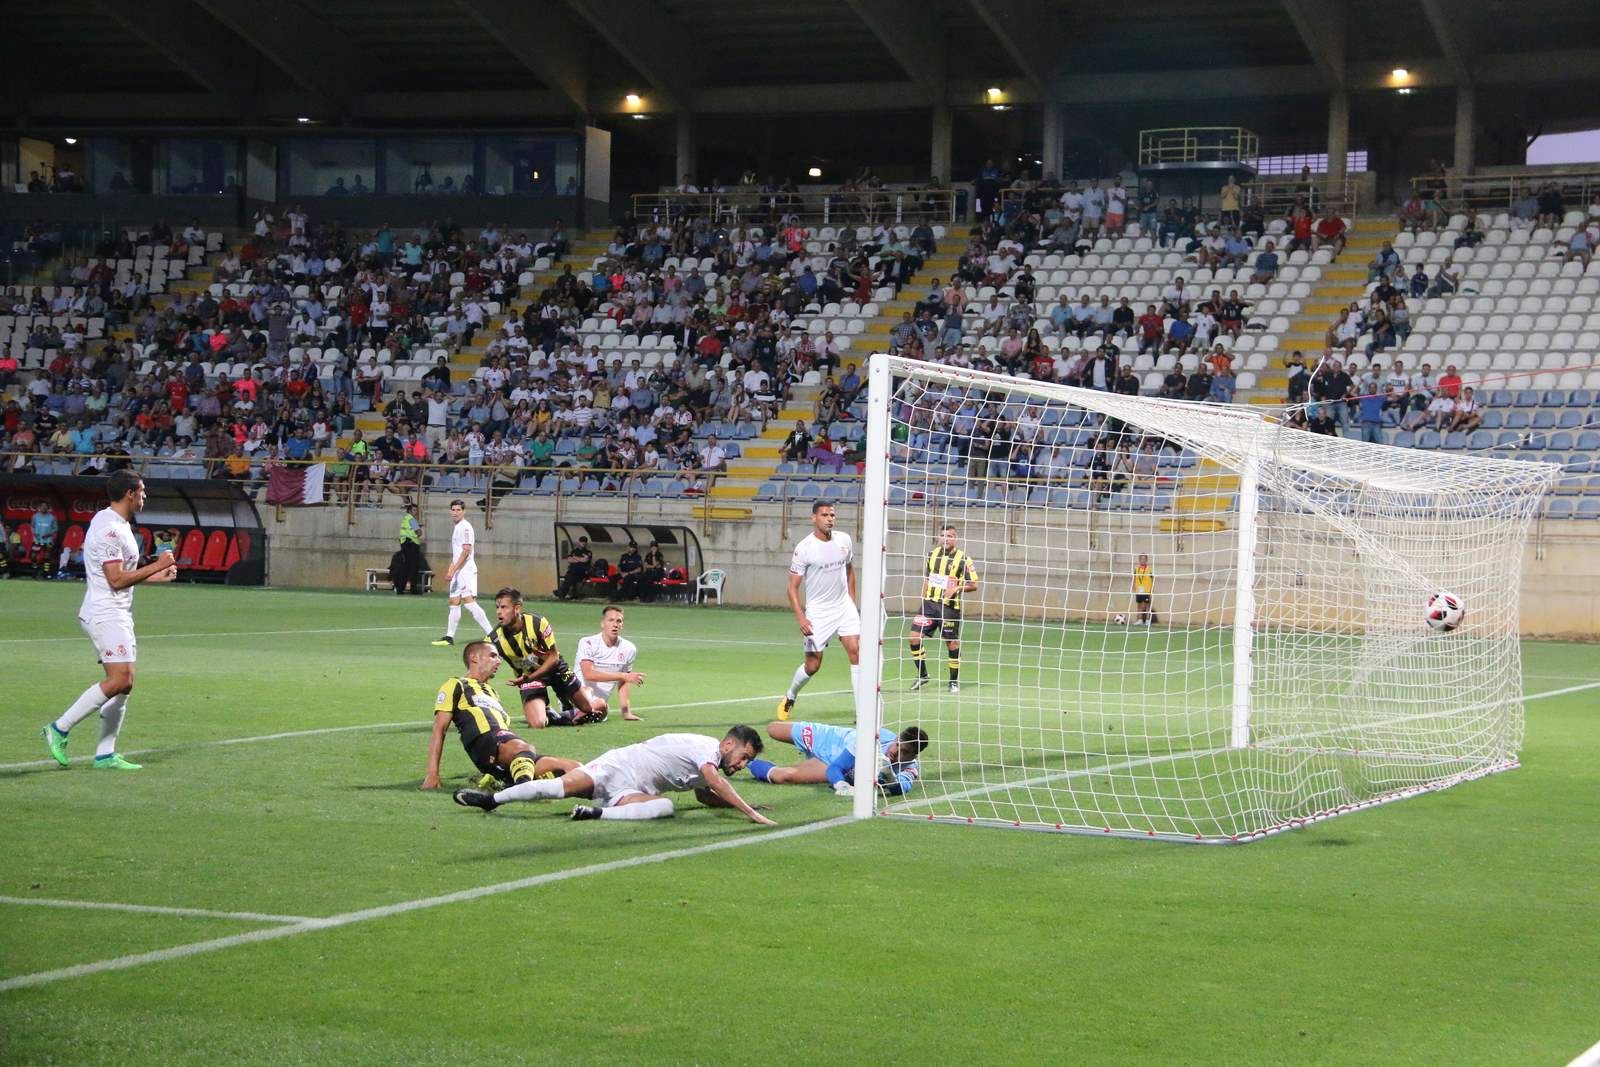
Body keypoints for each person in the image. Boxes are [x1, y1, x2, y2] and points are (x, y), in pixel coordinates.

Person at [40, 471, 178, 770]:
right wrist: (157, 563)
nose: (145, 496)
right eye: (142, 491)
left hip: (117, 610)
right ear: (129, 493)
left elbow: (124, 577)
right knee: (120, 679)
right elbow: (115, 580)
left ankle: (105, 754)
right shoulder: (109, 530)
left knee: (125, 683)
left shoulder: (119, 525)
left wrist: (157, 575)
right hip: (105, 612)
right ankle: (59, 728)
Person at [452, 726, 776, 825]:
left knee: (665, 807)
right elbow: (716, 782)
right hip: (619, 766)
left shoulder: (711, 763)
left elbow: (706, 794)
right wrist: (749, 813)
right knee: (556, 788)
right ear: (729, 744)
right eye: (744, 756)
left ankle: (597, 813)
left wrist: (740, 807)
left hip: (632, 789)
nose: (743, 764)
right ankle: (491, 800)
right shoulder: (707, 750)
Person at [418, 641, 579, 791]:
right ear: (474, 658)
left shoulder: (492, 692)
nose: (499, 661)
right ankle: (524, 790)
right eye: (493, 656)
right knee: (524, 747)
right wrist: (433, 774)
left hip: (507, 748)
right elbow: (439, 730)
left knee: (574, 768)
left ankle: (510, 781)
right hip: (484, 740)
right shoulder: (456, 684)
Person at [777, 500, 859, 722]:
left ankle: (862, 712)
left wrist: (852, 601)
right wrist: (801, 617)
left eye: (832, 515)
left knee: (857, 652)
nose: (829, 519)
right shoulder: (804, 548)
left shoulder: (844, 540)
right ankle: (791, 695)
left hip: (844, 607)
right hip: (818, 613)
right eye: (824, 515)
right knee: (813, 665)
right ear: (814, 518)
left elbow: (850, 570)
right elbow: (791, 588)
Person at [488, 586, 601, 728]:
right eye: (497, 607)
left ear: (517, 608)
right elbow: (484, 664)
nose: (499, 612)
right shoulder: (494, 639)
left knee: (588, 709)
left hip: (554, 668)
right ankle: (549, 711)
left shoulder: (537, 623)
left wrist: (531, 677)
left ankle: (579, 695)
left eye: (504, 607)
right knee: (538, 723)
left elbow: (554, 657)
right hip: (527, 676)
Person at [747, 720, 928, 798]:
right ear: (896, 739)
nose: (896, 752)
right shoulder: (872, 739)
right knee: (772, 729)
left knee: (783, 777)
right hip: (830, 737)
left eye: (904, 752)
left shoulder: (910, 767)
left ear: (913, 756)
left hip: (829, 761)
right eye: (897, 745)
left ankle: (746, 762)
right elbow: (838, 768)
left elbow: (833, 769)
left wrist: (889, 777)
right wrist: (843, 786)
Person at [908, 525, 979, 693]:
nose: (945, 538)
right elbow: (927, 578)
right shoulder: (932, 555)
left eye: (949, 535)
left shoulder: (964, 559)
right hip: (929, 605)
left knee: (952, 644)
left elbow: (973, 585)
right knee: (913, 638)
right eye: (943, 535)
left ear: (955, 538)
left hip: (949, 607)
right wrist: (923, 597)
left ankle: (953, 682)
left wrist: (956, 589)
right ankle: (922, 674)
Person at [431, 500, 494, 646]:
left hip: (465, 570)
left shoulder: (465, 527)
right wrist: (451, 569)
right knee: (454, 601)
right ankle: (449, 637)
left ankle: (491, 634)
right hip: (458, 571)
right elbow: (457, 552)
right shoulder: (457, 527)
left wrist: (453, 570)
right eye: (453, 509)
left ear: (464, 511)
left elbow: (466, 552)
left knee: (469, 602)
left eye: (458, 510)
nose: (455, 512)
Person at [575, 604, 645, 722]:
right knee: (587, 692)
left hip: (599, 706)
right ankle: (573, 715)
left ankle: (569, 717)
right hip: (577, 698)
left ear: (622, 625)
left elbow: (623, 683)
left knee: (602, 705)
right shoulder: (588, 643)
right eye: (611, 620)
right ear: (602, 623)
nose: (615, 624)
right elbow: (588, 674)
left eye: (619, 621)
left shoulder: (629, 649)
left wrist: (626, 713)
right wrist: (623, 675)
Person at [394, 503, 424, 595]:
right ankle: (413, 589)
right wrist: (420, 531)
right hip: (412, 545)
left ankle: (400, 588)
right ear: (410, 511)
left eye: (416, 510)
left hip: (405, 544)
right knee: (413, 568)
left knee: (405, 567)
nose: (416, 512)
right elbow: (419, 533)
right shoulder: (412, 520)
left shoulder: (405, 519)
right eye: (414, 510)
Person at [553, 535, 593, 600]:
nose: (583, 543)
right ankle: (564, 593)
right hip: (572, 571)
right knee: (569, 577)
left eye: (584, 542)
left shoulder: (588, 552)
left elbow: (585, 560)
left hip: (582, 572)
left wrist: (575, 558)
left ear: (586, 543)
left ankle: (562, 593)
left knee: (570, 577)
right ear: (579, 542)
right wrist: (580, 559)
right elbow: (569, 559)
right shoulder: (574, 551)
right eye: (582, 541)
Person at [1132, 553, 1157, 626]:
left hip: (1147, 590)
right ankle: (1139, 620)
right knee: (1139, 605)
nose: (1142, 560)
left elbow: (1152, 579)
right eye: (1141, 559)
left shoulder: (1149, 569)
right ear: (1139, 560)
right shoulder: (1136, 569)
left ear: (1146, 560)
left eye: (1144, 559)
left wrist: (1152, 588)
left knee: (1147, 606)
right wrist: (1133, 585)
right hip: (1139, 589)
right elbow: (1134, 577)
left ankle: (1148, 620)